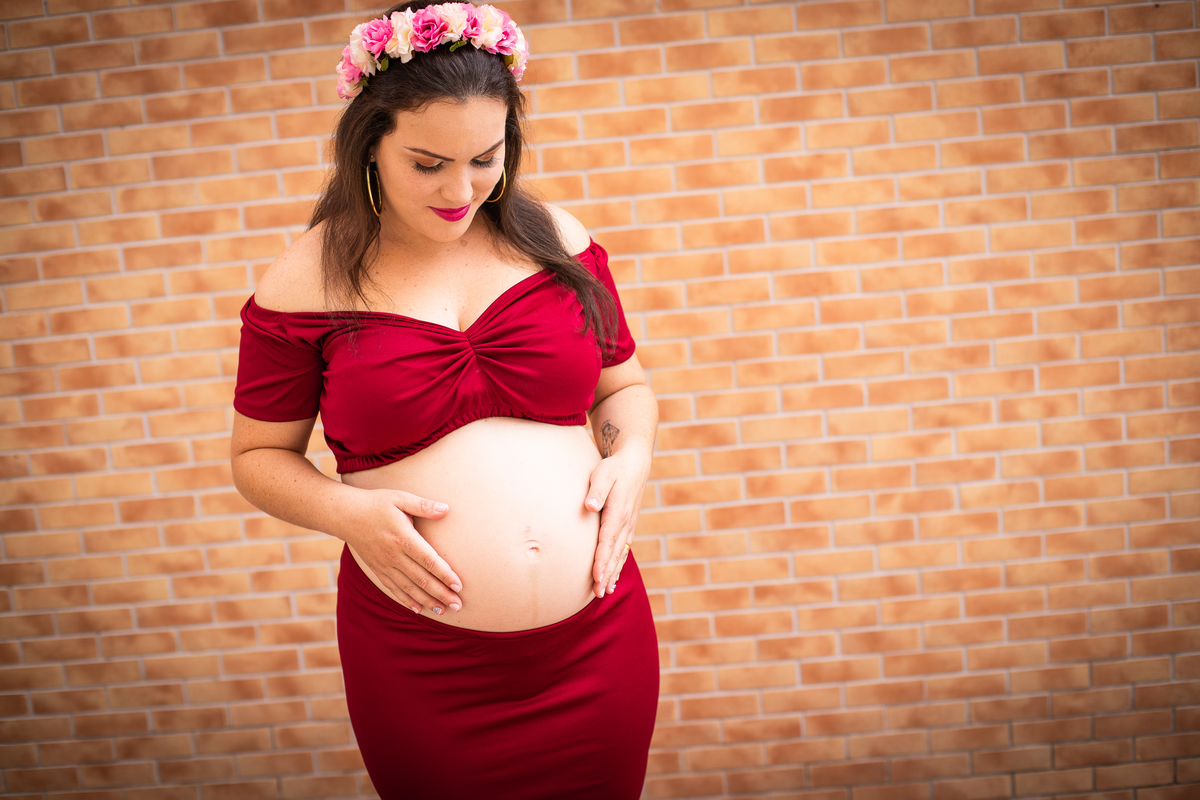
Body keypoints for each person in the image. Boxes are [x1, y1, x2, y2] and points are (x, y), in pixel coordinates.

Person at [228, 2, 660, 797]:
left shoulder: (558, 242)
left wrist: (631, 455)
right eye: (427, 164)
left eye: (484, 160)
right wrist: (347, 513)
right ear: (371, 146)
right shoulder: (306, 280)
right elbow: (258, 457)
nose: (461, 190)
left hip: (598, 637)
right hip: (422, 661)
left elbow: (624, 388)